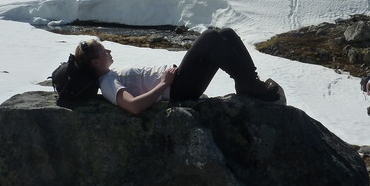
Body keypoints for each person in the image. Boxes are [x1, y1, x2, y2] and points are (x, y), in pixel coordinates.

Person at [74, 28, 280, 114]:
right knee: (210, 38)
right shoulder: (107, 83)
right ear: (95, 63)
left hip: (178, 82)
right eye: (103, 51)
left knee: (225, 33)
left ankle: (248, 81)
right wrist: (165, 83)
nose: (108, 50)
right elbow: (133, 106)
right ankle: (248, 84)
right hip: (178, 88)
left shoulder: (109, 76)